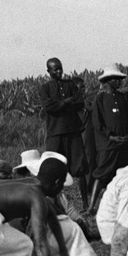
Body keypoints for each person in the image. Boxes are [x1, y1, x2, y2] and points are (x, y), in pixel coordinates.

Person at [89, 66, 128, 211]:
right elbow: (97, 122)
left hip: (123, 144)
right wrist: (111, 136)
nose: (119, 82)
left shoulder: (123, 98)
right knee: (102, 175)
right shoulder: (100, 99)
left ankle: (125, 203)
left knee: (124, 174)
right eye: (115, 79)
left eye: (120, 79)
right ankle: (91, 206)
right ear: (107, 81)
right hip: (107, 145)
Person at [40, 58, 91, 206]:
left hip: (73, 131)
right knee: (52, 169)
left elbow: (79, 102)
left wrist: (60, 105)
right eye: (55, 69)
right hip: (55, 133)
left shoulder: (70, 84)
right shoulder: (45, 88)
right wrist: (66, 102)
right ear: (48, 71)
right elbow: (48, 107)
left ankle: (86, 204)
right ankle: (53, 204)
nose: (59, 71)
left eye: (60, 68)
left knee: (80, 167)